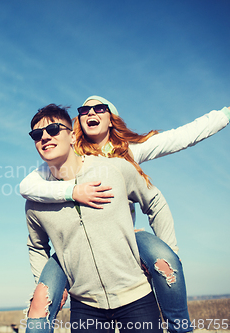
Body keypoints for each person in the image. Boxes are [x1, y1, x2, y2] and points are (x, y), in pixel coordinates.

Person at [21, 95, 230, 333]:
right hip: (81, 280)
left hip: (127, 247)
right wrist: (72, 191)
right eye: (85, 109)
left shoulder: (123, 158)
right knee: (39, 302)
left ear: (111, 119)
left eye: (100, 108)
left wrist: (224, 115)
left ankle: (180, 327)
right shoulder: (49, 177)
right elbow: (27, 189)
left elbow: (180, 138)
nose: (91, 113)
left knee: (167, 260)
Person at [25, 104, 173, 332]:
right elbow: (36, 246)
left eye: (53, 129)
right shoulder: (36, 201)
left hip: (136, 296)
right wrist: (50, 286)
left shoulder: (114, 170)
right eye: (37, 134)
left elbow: (154, 202)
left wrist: (167, 255)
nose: (45, 137)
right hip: (85, 306)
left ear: (73, 136)